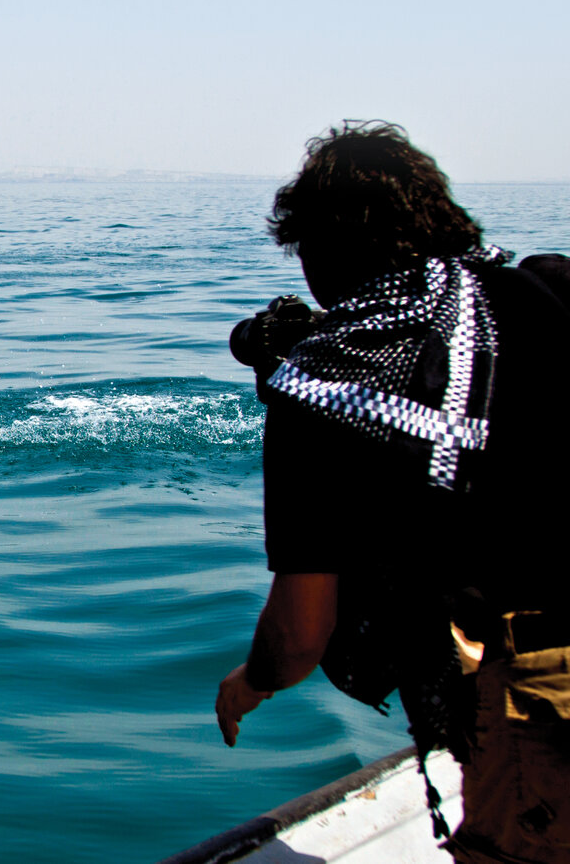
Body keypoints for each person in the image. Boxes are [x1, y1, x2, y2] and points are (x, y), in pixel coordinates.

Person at [216, 121, 570, 864]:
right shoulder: (549, 290)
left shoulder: (327, 381)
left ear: (318, 251)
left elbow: (300, 635)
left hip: (546, 694)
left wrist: (254, 680)